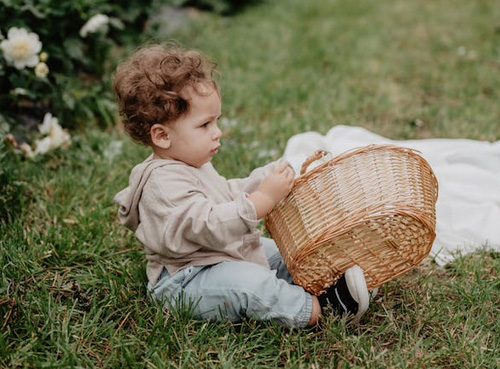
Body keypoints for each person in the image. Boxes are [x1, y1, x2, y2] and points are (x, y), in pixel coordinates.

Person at [112, 44, 370, 328]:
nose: (217, 132)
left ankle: (332, 281)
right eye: (205, 125)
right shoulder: (162, 184)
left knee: (280, 252)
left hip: (221, 254)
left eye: (217, 121)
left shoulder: (191, 161)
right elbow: (207, 224)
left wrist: (261, 180)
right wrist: (261, 199)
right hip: (186, 278)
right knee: (250, 284)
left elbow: (224, 194)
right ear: (162, 136)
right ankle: (318, 309)